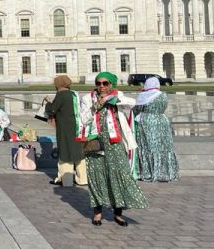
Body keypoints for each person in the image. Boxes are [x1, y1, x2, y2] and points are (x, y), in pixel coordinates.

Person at [79, 72, 148, 226]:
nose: (102, 86)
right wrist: (96, 106)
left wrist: (113, 99)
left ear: (112, 84)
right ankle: (98, 212)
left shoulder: (118, 96)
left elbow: (131, 104)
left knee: (119, 175)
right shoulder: (87, 99)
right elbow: (83, 119)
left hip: (114, 143)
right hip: (96, 143)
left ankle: (118, 213)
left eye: (106, 83)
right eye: (99, 83)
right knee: (97, 176)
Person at [133, 77, 179, 182]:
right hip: (162, 120)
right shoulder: (163, 95)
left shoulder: (143, 96)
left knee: (148, 146)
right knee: (164, 146)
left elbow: (136, 109)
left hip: (148, 121)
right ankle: (166, 172)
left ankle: (150, 172)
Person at [43, 75, 86, 186]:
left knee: (65, 151)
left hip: (65, 127)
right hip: (77, 126)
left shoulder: (61, 95)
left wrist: (47, 102)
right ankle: (83, 179)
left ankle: (65, 179)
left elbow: (52, 109)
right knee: (78, 152)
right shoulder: (73, 94)